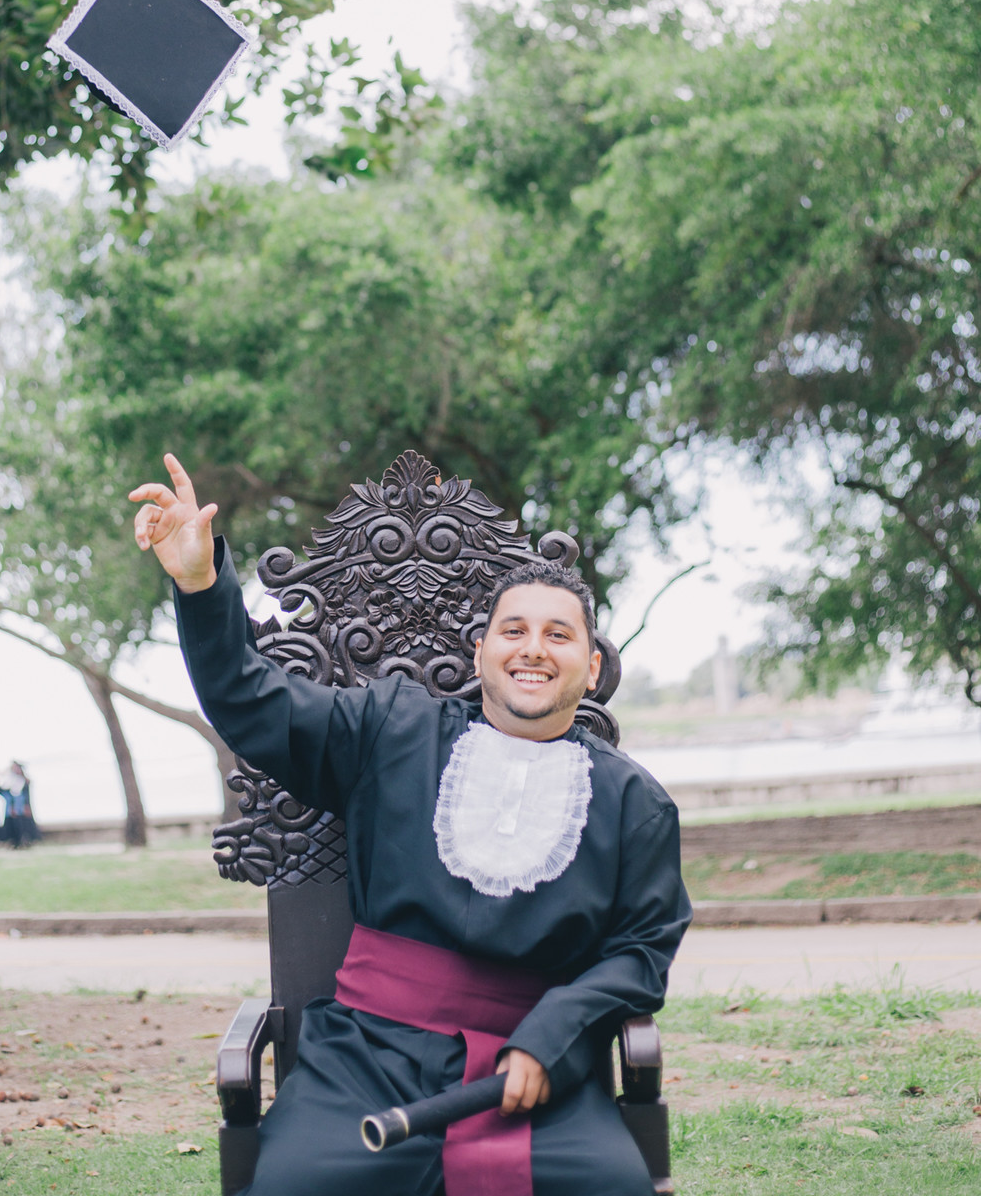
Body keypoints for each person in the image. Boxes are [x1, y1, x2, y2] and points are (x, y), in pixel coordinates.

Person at [131, 454, 691, 1196]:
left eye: (557, 637)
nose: (531, 648)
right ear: (478, 651)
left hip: (536, 1072)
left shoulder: (635, 802)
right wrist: (200, 586)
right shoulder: (388, 731)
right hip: (364, 1059)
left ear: (590, 668)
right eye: (512, 629)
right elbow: (249, 699)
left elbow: (639, 953)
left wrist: (551, 1036)